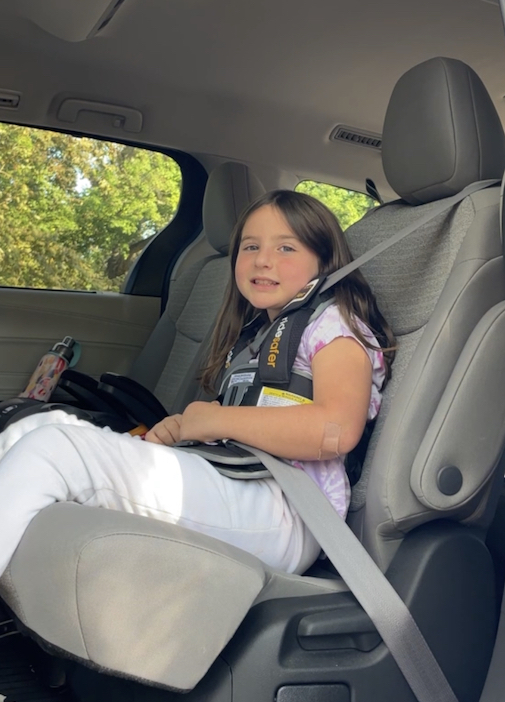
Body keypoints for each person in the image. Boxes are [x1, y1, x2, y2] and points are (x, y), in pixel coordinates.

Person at [0, 190, 395, 578]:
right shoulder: (260, 333)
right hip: (237, 478)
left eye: (286, 248)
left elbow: (336, 431)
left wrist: (213, 421)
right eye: (250, 246)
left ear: (324, 261)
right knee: (34, 427)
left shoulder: (335, 325)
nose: (263, 260)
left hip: (289, 509)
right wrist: (184, 427)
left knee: (53, 449)